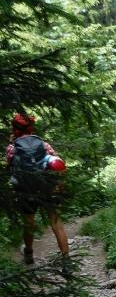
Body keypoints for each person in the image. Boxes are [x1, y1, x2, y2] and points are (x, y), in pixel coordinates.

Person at [6, 113, 69, 265]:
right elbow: (58, 164)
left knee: (29, 223)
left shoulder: (12, 148)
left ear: (14, 129)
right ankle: (67, 260)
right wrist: (59, 185)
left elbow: (10, 169)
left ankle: (28, 253)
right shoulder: (43, 144)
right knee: (56, 223)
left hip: (25, 189)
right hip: (47, 187)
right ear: (31, 128)